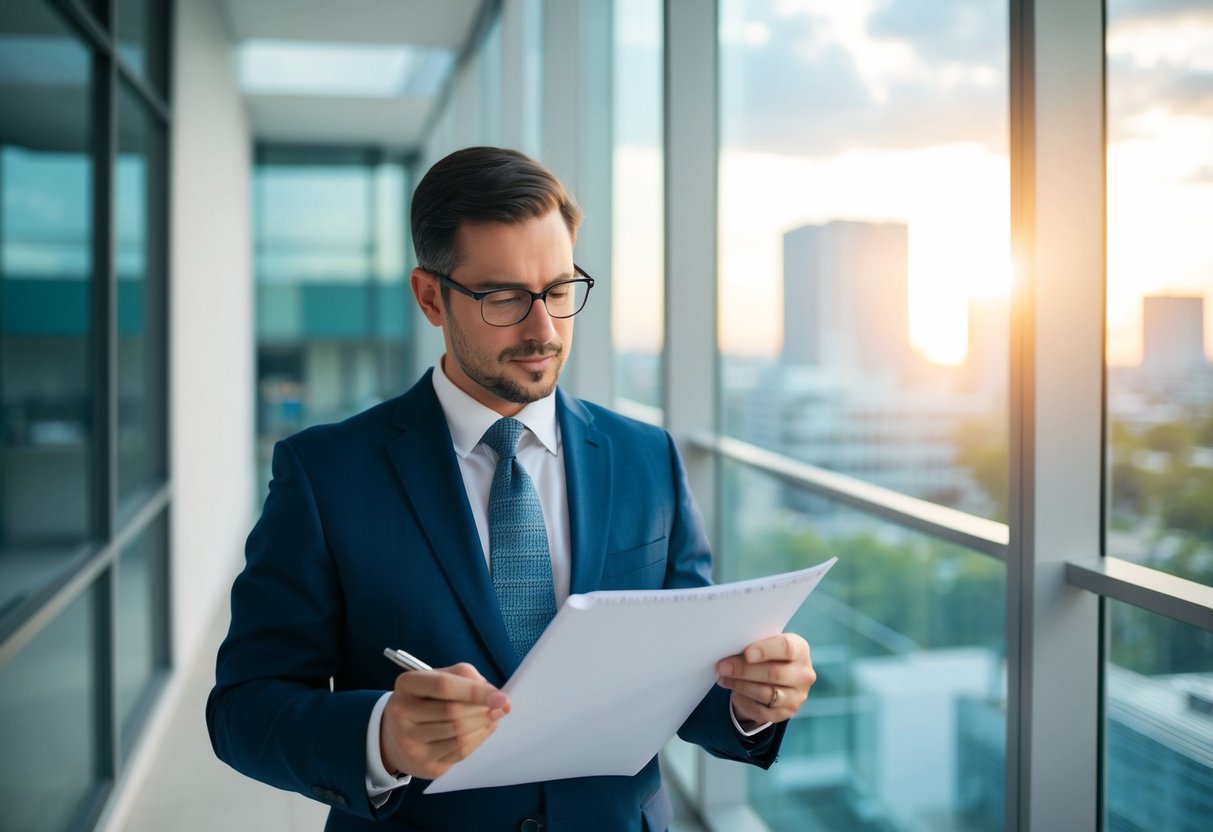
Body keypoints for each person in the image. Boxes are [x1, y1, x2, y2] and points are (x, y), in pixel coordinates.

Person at [206, 146, 817, 832]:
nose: (543, 330)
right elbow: (243, 709)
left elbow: (682, 676)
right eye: (503, 298)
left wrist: (749, 697)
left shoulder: (646, 456)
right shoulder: (326, 474)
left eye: (559, 290)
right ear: (430, 297)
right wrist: (381, 736)